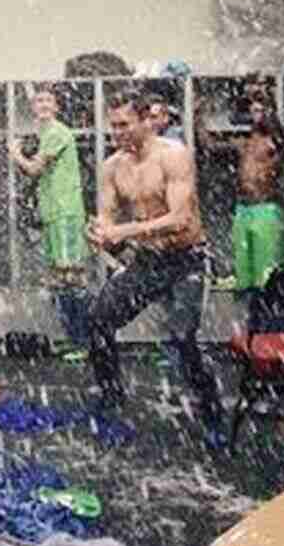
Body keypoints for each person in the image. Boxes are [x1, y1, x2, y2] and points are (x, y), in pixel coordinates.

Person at [86, 89, 226, 448]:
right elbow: (106, 217)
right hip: (148, 261)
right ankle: (112, 399)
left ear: (146, 120)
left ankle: (213, 414)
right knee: (99, 320)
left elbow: (179, 219)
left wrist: (123, 231)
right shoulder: (112, 167)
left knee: (183, 338)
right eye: (112, 126)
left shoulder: (174, 156)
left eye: (124, 125)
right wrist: (100, 232)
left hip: (186, 260)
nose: (117, 133)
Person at [195, 76, 284, 333]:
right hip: (243, 211)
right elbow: (208, 144)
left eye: (260, 109)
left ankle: (275, 334)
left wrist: (264, 95)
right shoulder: (244, 143)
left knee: (269, 279)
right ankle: (255, 334)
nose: (255, 113)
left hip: (266, 211)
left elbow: (281, 132)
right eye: (252, 109)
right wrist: (197, 114)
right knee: (246, 281)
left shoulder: (275, 142)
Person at [10, 85, 91, 361]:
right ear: (33, 108)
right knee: (60, 279)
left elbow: (34, 169)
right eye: (38, 101)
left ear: (56, 107)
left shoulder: (57, 132)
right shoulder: (46, 134)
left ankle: (85, 342)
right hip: (53, 213)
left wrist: (16, 153)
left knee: (72, 277)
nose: (42, 105)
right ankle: (73, 338)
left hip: (66, 213)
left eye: (48, 101)